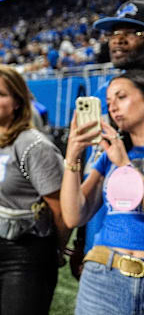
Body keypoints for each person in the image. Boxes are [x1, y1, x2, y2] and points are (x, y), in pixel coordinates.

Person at [0, 65, 70, 315]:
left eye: (0, 94)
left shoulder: (33, 145)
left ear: (17, 102)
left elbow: (61, 210)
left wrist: (57, 249)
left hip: (25, 254)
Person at [61, 70, 144, 315]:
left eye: (121, 97)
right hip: (103, 278)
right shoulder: (110, 155)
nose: (113, 107)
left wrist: (123, 165)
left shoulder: (117, 156)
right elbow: (75, 215)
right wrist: (73, 155)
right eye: (108, 102)